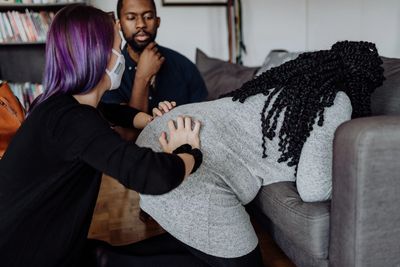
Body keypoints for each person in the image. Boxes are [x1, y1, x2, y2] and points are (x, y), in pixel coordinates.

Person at [94, 41, 385, 266]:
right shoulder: (335, 99)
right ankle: (114, 262)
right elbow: (314, 188)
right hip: (184, 162)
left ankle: (108, 256)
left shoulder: (286, 84)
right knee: (244, 263)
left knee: (211, 244)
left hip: (163, 139)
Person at [0, 4, 203, 267]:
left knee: (114, 253)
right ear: (99, 55)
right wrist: (190, 152)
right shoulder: (75, 121)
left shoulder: (56, 105)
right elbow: (152, 175)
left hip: (31, 239)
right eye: (118, 49)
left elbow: (111, 112)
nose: (121, 56)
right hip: (25, 253)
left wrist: (150, 119)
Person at [101, 0, 208, 114]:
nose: (141, 24)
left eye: (148, 17)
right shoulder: (109, 73)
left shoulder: (184, 66)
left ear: (157, 22)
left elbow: (204, 117)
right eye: (131, 17)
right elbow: (126, 132)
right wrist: (142, 77)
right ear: (119, 25)